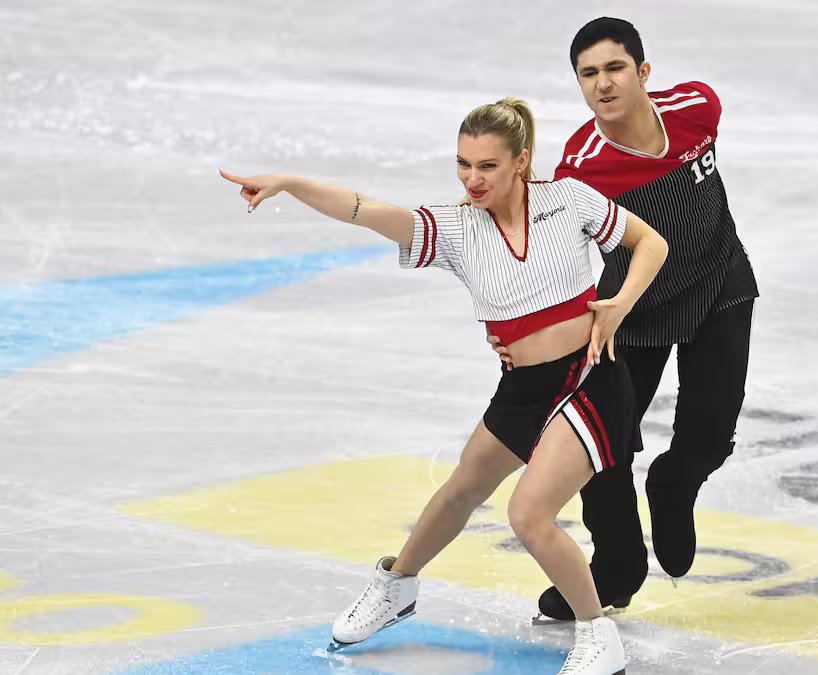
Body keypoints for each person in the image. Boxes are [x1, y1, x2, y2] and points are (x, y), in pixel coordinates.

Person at [220, 96, 667, 675]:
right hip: (524, 388)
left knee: (529, 514)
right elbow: (362, 209)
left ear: (520, 162)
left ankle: (597, 635)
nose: (472, 178)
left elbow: (650, 243)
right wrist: (289, 182)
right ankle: (396, 585)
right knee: (461, 488)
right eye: (463, 164)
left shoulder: (568, 199)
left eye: (486, 165)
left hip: (590, 378)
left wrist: (618, 305)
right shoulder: (454, 229)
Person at [490, 18, 759, 621]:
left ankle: (674, 483)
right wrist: (521, 328)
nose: (603, 84)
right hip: (629, 309)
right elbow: (542, 251)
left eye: (614, 69)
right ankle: (615, 568)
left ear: (641, 73)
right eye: (589, 75)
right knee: (599, 443)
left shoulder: (697, 107)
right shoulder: (583, 166)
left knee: (711, 435)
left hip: (720, 284)